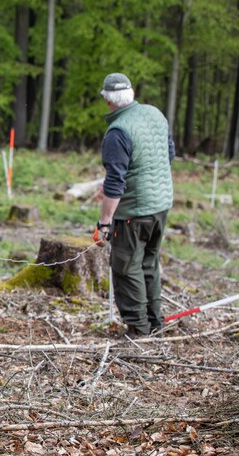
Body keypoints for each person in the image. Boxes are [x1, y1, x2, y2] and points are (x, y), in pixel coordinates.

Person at [95, 72, 174, 337]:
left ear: (108, 101)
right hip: (161, 205)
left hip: (134, 213)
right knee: (149, 263)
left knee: (126, 268)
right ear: (131, 94)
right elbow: (167, 153)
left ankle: (139, 331)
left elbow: (116, 183)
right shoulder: (155, 114)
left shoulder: (117, 132)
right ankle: (155, 322)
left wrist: (104, 223)